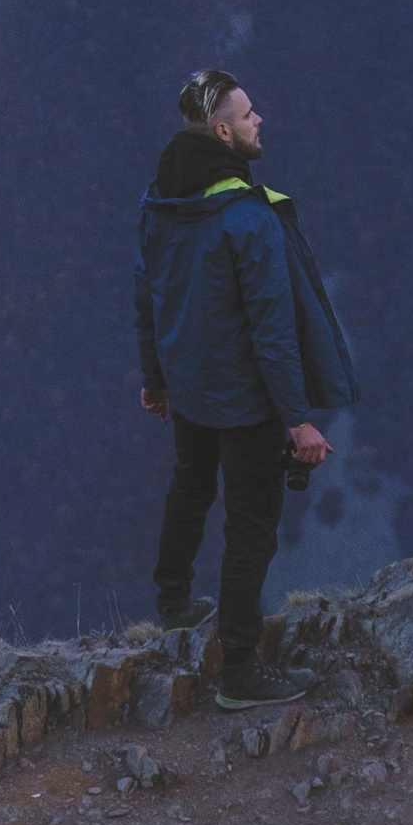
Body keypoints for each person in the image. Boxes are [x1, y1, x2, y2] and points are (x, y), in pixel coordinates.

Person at [134, 66, 357, 710]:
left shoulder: (158, 202)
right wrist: (299, 420)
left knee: (190, 484)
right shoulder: (246, 219)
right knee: (252, 526)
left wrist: (156, 379)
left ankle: (175, 605)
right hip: (245, 398)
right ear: (224, 131)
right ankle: (238, 669)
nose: (262, 120)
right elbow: (272, 331)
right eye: (250, 113)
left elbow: (147, 297)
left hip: (191, 388)